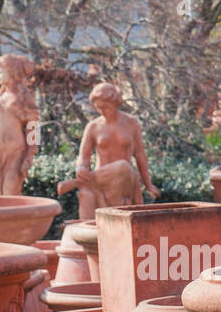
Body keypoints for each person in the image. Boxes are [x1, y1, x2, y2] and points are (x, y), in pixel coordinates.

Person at [59, 82, 158, 218]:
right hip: (100, 182)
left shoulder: (131, 123)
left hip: (124, 180)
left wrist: (148, 184)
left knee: (123, 166)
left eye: (105, 107)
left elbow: (140, 155)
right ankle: (85, 182)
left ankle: (81, 182)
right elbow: (83, 156)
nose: (102, 111)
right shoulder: (93, 126)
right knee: (86, 194)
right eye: (98, 108)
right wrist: (80, 168)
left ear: (115, 102)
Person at [0, 54, 39, 196]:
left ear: (12, 72)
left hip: (16, 152)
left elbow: (33, 128)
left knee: (10, 191)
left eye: (1, 72)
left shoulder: (24, 98)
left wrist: (30, 153)